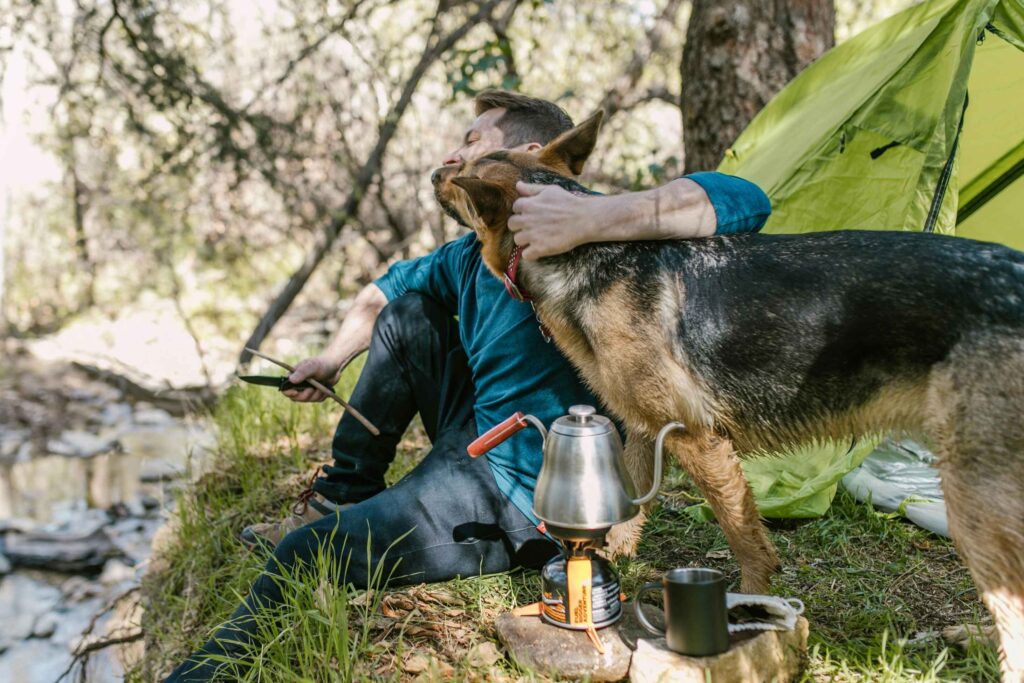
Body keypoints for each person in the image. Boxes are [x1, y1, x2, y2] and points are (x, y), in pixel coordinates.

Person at [166, 90, 770, 681]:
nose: (452, 156)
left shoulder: (609, 237)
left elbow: (746, 199)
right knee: (407, 316)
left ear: (531, 154)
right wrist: (329, 359)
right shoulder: (471, 254)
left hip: (526, 490)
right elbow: (382, 294)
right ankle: (343, 492)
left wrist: (594, 216)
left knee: (302, 556)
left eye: (472, 142)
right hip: (474, 428)